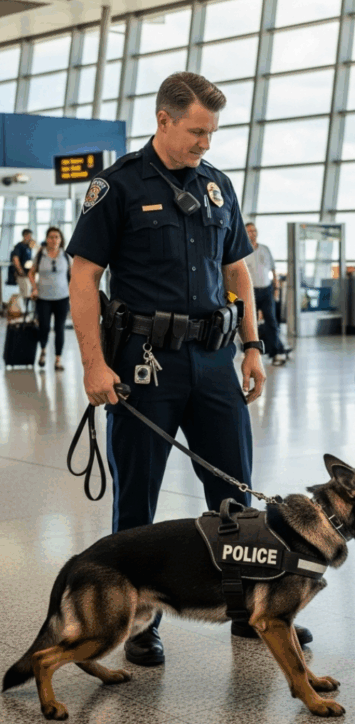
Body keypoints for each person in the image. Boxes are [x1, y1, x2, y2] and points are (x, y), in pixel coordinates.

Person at [67, 71, 311, 667]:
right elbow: (83, 277)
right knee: (137, 503)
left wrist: (252, 346)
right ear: (164, 120)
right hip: (142, 365)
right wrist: (94, 365)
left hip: (213, 360)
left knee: (235, 498)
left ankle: (247, 613)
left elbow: (237, 273)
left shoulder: (218, 187)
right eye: (197, 132)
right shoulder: (117, 185)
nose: (205, 143)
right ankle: (138, 622)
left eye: (211, 133)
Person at [244, 222, 292, 365]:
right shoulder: (243, 250)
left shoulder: (265, 249)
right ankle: (256, 352)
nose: (252, 233)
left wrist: (276, 289)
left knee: (272, 322)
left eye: (254, 230)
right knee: (250, 324)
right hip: (250, 292)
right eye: (249, 231)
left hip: (266, 290)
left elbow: (273, 271)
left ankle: (277, 351)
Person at [28, 227, 71, 371]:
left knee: (60, 329)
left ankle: (58, 360)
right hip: (44, 298)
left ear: (61, 239)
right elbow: (31, 273)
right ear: (47, 239)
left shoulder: (66, 256)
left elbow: (73, 276)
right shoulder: (40, 254)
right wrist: (34, 288)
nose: (54, 240)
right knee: (44, 327)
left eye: (57, 237)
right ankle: (43, 351)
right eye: (51, 237)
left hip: (62, 298)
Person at [10, 228, 33, 307]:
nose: (30, 238)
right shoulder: (19, 246)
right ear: (25, 236)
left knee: (28, 292)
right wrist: (20, 271)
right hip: (22, 274)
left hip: (28, 274)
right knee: (25, 293)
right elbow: (15, 259)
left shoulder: (28, 247)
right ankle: (24, 311)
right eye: (29, 236)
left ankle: (28, 310)